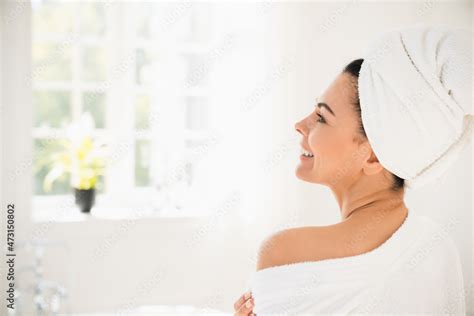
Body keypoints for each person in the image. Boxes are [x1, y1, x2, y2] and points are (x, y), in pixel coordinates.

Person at [234, 26, 471, 315]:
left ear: (372, 156)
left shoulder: (283, 252)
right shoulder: (438, 248)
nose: (300, 124)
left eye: (321, 117)